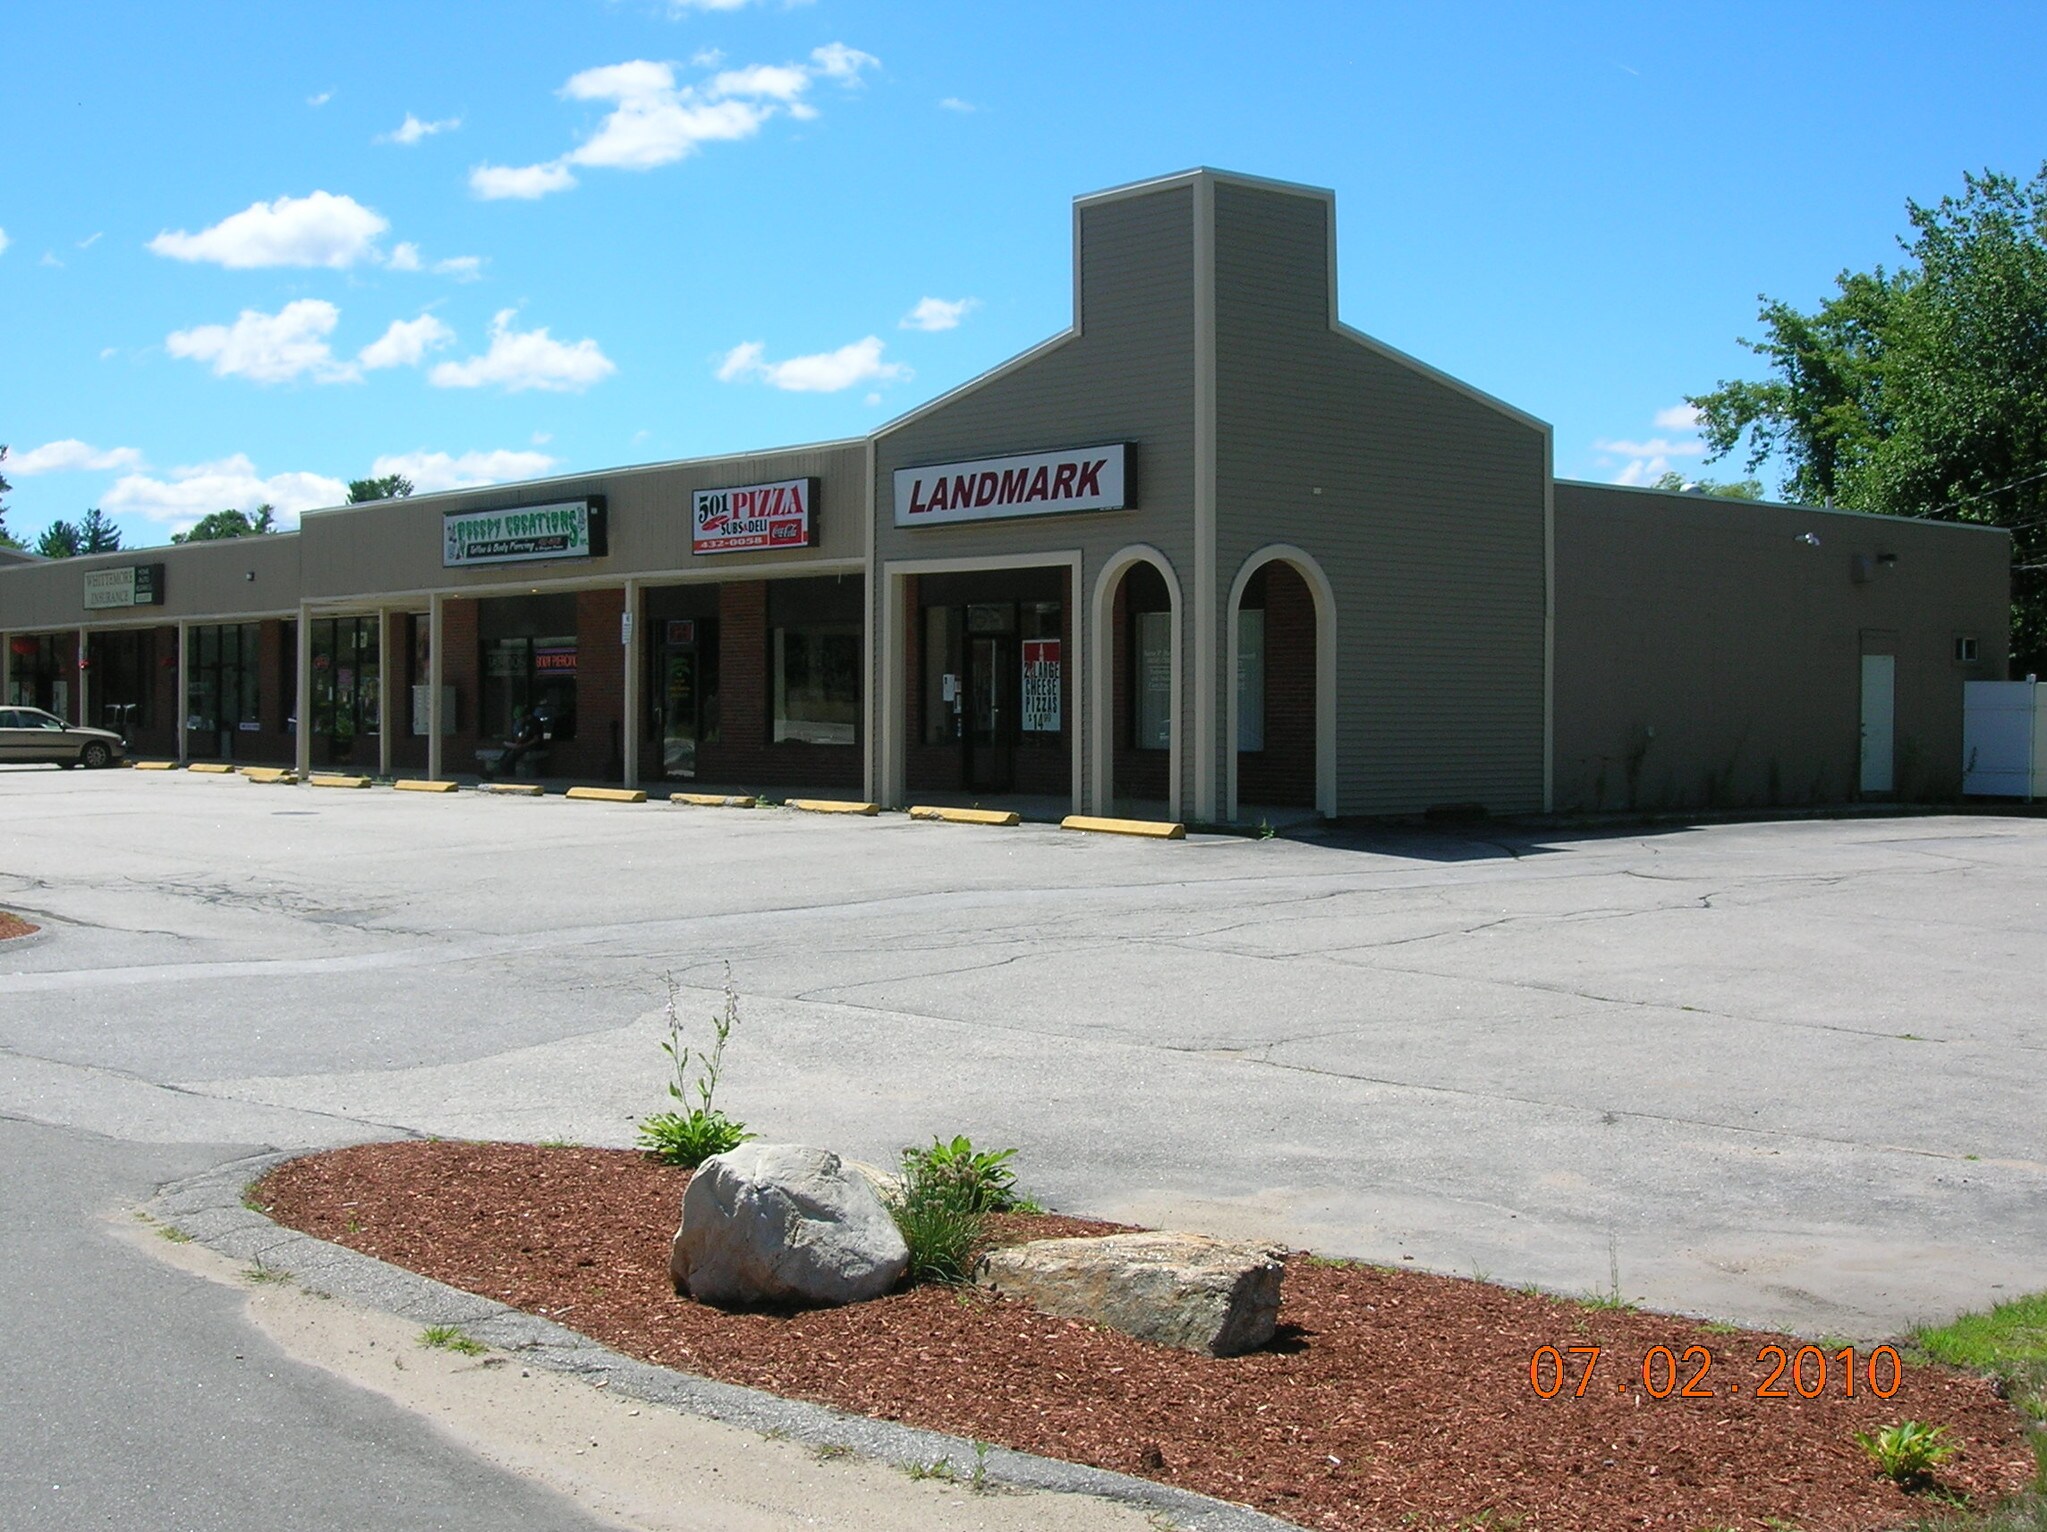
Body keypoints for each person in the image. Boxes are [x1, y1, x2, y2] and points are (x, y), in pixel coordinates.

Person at [488, 707, 547, 779]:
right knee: (507, 751)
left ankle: (498, 771)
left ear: (527, 716)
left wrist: (523, 745)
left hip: (534, 746)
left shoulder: (535, 723)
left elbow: (536, 739)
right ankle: (501, 769)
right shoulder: (525, 723)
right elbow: (522, 735)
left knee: (515, 753)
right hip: (524, 744)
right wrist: (517, 743)